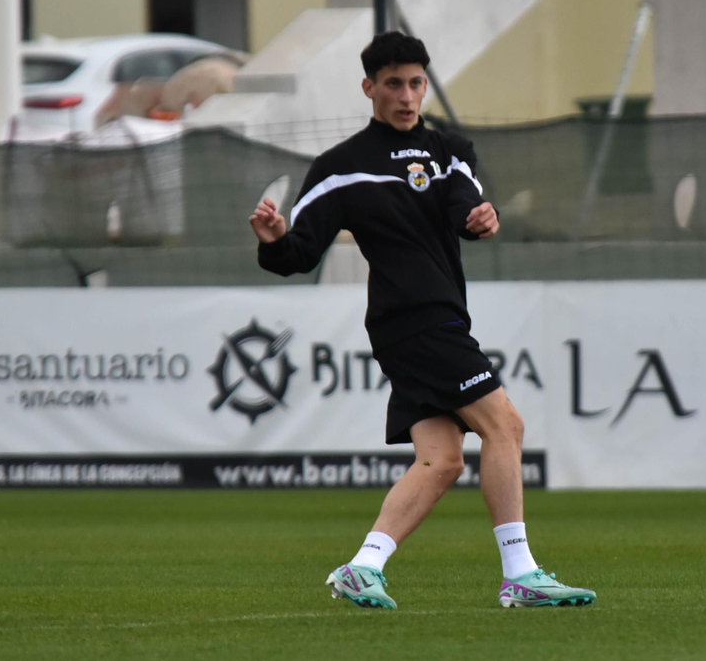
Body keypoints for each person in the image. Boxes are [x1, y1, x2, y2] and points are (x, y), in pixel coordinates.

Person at [250, 31, 595, 610]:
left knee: (442, 460)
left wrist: (483, 218)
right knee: (504, 427)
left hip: (433, 320)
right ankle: (520, 575)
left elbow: (465, 205)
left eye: (415, 83)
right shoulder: (340, 168)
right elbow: (299, 254)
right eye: (393, 84)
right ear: (369, 88)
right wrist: (277, 239)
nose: (406, 96)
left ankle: (363, 568)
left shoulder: (449, 151)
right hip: (412, 320)